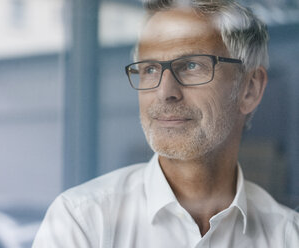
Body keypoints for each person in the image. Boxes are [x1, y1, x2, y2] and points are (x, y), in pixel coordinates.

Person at [33, 0, 299, 247]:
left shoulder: (288, 235)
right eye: (149, 69)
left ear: (249, 89)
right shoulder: (82, 221)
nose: (165, 92)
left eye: (192, 65)